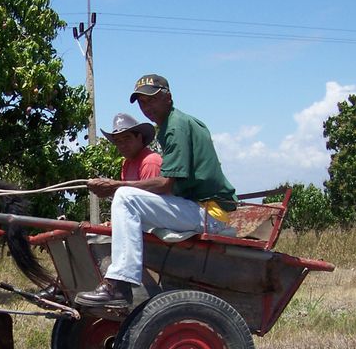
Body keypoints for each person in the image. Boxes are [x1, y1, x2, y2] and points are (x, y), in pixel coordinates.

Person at [76, 74, 238, 308]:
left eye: (151, 100)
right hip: (198, 209)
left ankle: (120, 284)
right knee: (124, 199)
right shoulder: (172, 126)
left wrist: (114, 186)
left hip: (209, 214)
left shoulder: (176, 127)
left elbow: (164, 185)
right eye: (142, 103)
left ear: (168, 98)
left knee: (125, 197)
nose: (146, 107)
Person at [100, 112, 163, 182]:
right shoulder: (127, 163)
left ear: (139, 138)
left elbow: (148, 192)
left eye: (127, 139)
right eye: (118, 141)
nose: (122, 145)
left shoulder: (149, 162)